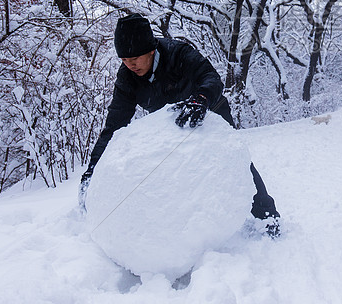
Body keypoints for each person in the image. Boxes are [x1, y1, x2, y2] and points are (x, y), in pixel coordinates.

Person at [80, 13, 280, 236]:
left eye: (135, 58)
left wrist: (201, 99)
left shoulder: (179, 53)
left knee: (232, 161)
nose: (130, 65)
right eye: (124, 60)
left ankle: (267, 216)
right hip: (173, 127)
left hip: (210, 112)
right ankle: (193, 222)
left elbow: (211, 78)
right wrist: (91, 172)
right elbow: (113, 126)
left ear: (151, 49)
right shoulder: (127, 78)